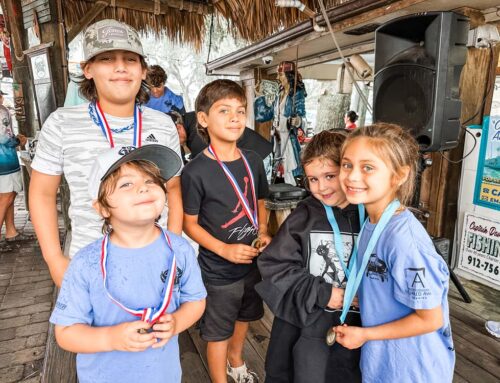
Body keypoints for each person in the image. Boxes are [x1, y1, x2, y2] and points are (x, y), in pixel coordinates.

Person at [29, 19, 183, 287]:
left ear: (143, 70)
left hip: (155, 262)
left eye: (130, 59)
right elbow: (42, 193)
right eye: (107, 59)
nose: (121, 67)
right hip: (90, 266)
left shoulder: (162, 123)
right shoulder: (61, 123)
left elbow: (174, 191)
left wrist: (173, 249)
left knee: (159, 328)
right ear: (87, 69)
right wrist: (54, 259)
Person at [50, 144, 206, 383]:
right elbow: (66, 333)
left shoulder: (179, 249)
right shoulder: (85, 263)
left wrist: (177, 322)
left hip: (165, 375)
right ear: (102, 208)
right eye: (126, 184)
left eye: (152, 181)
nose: (143, 188)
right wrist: (111, 339)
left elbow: (195, 300)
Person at [335, 123, 455, 382]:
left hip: (413, 368)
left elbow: (430, 319)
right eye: (347, 165)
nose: (352, 176)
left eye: (368, 167)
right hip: (383, 362)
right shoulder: (373, 221)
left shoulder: (404, 240)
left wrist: (365, 335)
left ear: (399, 175)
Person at [182, 79, 271, 383]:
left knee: (247, 315)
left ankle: (237, 361)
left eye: (240, 110)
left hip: (252, 261)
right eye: (224, 110)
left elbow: (260, 202)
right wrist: (223, 249)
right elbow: (188, 224)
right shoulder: (194, 171)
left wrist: (263, 231)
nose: (235, 117)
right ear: (203, 119)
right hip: (218, 268)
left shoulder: (254, 161)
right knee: (218, 329)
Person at [256, 130, 362, 383]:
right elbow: (275, 266)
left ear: (347, 170)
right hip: (306, 327)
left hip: (358, 328)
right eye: (313, 179)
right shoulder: (303, 216)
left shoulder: (371, 216)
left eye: (329, 176)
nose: (321, 187)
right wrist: (326, 294)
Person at [0, 90, 29, 252]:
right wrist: (19, 140)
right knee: (7, 196)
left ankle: (11, 231)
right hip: (4, 160)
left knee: (6, 195)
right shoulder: (1, 111)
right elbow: (3, 137)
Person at [271, 61, 306, 185]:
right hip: (276, 135)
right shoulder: (278, 93)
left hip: (288, 136)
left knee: (289, 166)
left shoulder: (297, 93)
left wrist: (298, 121)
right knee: (275, 165)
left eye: (280, 75)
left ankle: (291, 189)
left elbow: (302, 116)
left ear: (288, 76)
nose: (277, 78)